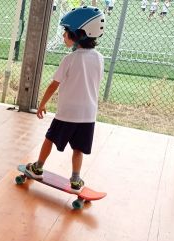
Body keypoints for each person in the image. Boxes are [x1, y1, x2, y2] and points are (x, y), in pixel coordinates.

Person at [25, 6, 105, 192]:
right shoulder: (100, 58)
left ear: (78, 34)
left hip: (67, 112)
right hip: (88, 114)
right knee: (79, 148)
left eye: (66, 32)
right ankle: (76, 179)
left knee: (49, 138)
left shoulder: (69, 60)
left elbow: (54, 84)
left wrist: (42, 104)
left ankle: (37, 167)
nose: (63, 36)